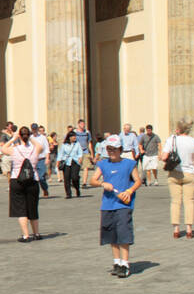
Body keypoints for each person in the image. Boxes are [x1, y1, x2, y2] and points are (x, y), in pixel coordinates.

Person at [90, 135, 142, 278]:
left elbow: (138, 181)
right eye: (109, 149)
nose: (111, 152)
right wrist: (102, 184)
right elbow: (92, 180)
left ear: (120, 149)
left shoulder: (129, 164)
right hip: (108, 204)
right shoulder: (103, 164)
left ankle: (125, 264)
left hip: (123, 204)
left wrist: (129, 191)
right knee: (111, 234)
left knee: (123, 233)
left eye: (114, 149)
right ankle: (116, 262)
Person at [3, 125, 42, 242]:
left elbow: (3, 148)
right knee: (33, 208)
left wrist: (13, 138)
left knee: (21, 209)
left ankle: (26, 235)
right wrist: (30, 138)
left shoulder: (14, 149)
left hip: (17, 180)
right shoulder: (35, 149)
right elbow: (40, 146)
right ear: (29, 135)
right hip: (33, 180)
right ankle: (36, 233)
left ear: (20, 136)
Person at [164, 119, 194, 239]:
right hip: (189, 173)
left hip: (174, 173)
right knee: (189, 201)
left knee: (175, 201)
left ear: (178, 128)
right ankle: (189, 229)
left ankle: (176, 229)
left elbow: (164, 156)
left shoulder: (171, 140)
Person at [57, 130, 83, 199]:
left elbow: (80, 152)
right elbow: (60, 154)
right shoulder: (64, 145)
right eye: (73, 136)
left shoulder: (77, 144)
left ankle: (77, 188)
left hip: (75, 162)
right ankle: (68, 193)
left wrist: (80, 158)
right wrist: (58, 162)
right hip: (66, 162)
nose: (75, 137)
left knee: (75, 177)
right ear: (69, 137)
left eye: (75, 136)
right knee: (67, 178)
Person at [32, 124, 51, 198]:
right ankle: (35, 193)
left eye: (35, 129)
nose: (34, 130)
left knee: (41, 177)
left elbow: (47, 149)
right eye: (33, 129)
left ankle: (45, 189)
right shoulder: (30, 138)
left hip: (41, 159)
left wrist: (47, 158)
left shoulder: (43, 138)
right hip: (33, 160)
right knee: (33, 178)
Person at [74, 119, 92, 186]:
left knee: (86, 167)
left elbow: (89, 142)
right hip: (77, 152)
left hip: (85, 150)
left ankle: (84, 182)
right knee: (76, 167)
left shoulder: (87, 132)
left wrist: (91, 153)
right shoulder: (75, 132)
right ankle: (75, 179)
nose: (83, 125)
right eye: (81, 124)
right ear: (78, 124)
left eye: (84, 124)